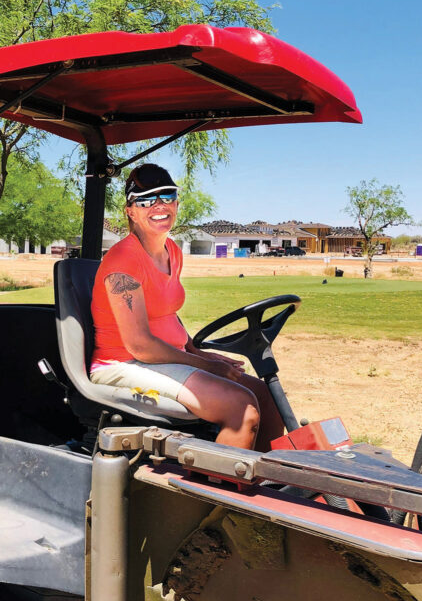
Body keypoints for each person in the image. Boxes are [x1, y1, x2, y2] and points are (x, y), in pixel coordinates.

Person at [90, 163, 283, 450]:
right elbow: (139, 346)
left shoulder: (173, 252)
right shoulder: (123, 261)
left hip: (164, 359)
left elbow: (167, 313)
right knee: (241, 409)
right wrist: (207, 365)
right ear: (130, 210)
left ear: (176, 204)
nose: (158, 205)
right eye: (145, 200)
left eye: (167, 197)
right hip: (121, 363)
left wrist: (196, 351)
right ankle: (220, 492)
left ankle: (271, 482)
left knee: (264, 394)